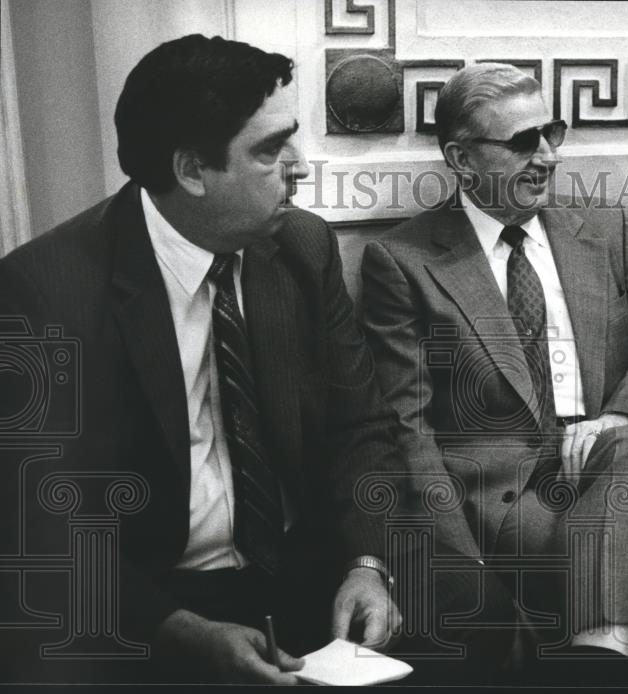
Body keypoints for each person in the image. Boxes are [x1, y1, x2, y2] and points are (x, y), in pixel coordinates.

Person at [0, 34, 410, 684]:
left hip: (304, 578)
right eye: (271, 150)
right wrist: (180, 632)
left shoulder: (301, 248)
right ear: (191, 170)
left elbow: (361, 428)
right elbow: (45, 522)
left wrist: (368, 564)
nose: (300, 167)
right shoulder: (46, 290)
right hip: (147, 603)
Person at [360, 62, 628, 686]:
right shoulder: (402, 262)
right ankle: (605, 660)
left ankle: (595, 664)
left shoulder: (607, 230)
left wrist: (615, 421)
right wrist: (460, 570)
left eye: (552, 132)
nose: (547, 156)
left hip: (612, 473)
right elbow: (409, 429)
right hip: (503, 503)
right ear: (462, 158)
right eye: (521, 142)